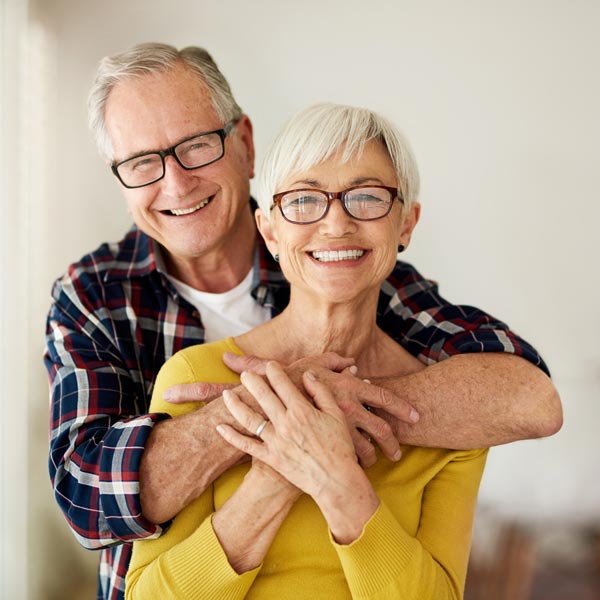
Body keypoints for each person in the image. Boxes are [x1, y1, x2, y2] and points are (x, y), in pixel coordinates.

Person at [44, 43, 561, 600]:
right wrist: (272, 419)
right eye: (142, 163)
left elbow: (525, 394)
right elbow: (88, 497)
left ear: (243, 143)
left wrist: (321, 412)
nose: (176, 183)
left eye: (195, 145)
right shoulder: (97, 295)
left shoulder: (346, 264)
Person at [126, 102, 491, 598]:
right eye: (303, 200)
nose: (336, 224)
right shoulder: (193, 376)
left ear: (406, 224)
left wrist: (335, 477)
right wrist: (277, 474)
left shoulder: (457, 417)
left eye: (366, 197)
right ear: (270, 230)